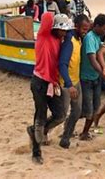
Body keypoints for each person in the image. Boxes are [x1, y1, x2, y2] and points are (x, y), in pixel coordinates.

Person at [26, 13, 72, 164]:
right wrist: (56, 12)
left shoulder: (60, 41)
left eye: (66, 30)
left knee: (60, 114)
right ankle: (36, 151)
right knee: (40, 116)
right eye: (62, 29)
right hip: (39, 81)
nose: (64, 32)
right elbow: (46, 17)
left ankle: (36, 131)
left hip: (52, 83)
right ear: (54, 27)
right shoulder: (44, 36)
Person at [78, 14, 105, 141]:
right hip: (86, 78)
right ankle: (78, 131)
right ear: (97, 26)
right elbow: (93, 59)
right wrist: (104, 73)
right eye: (104, 29)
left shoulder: (97, 37)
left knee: (95, 106)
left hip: (95, 78)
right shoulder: (90, 38)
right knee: (88, 109)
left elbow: (100, 57)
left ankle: (85, 132)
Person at [58, 14, 91, 149]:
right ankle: (43, 131)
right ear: (76, 26)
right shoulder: (69, 41)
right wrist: (69, 85)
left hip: (76, 82)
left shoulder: (79, 39)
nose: (85, 31)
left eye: (87, 29)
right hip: (67, 84)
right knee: (61, 115)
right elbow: (62, 64)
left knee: (77, 111)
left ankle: (65, 138)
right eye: (83, 28)